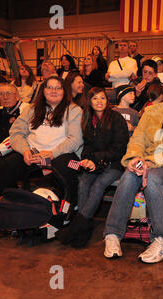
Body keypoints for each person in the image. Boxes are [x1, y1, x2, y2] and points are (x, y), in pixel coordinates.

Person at [102, 85, 163, 263]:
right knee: (129, 175)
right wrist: (135, 158)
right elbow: (138, 138)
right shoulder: (153, 111)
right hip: (145, 161)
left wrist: (148, 163)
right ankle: (113, 234)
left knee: (152, 179)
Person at [0, 76, 83, 214]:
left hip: (60, 154)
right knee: (9, 164)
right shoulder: (32, 108)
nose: (53, 91)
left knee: (65, 168)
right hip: (32, 153)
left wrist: (51, 154)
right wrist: (25, 151)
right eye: (49, 87)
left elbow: (76, 139)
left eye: (58, 87)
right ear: (44, 90)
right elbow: (16, 132)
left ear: (64, 91)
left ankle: (69, 207)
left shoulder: (74, 110)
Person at [54, 87, 129, 248]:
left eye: (102, 98)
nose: (99, 102)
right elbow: (87, 145)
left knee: (98, 185)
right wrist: (87, 159)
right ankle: (84, 230)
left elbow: (120, 148)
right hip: (95, 162)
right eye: (95, 98)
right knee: (83, 184)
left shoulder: (116, 118)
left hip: (114, 163)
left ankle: (76, 227)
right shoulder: (88, 118)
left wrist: (96, 158)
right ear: (89, 101)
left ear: (107, 101)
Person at [0, 84, 29, 215]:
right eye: (1, 94)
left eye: (8, 93)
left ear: (17, 95)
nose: (4, 97)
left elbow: (17, 138)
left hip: (17, 152)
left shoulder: (26, 110)